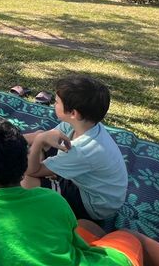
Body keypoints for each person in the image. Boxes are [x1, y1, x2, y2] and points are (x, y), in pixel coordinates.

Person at [0, 119, 159, 266]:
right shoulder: (53, 199)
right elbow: (74, 241)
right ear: (25, 164)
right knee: (125, 235)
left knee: (90, 228)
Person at [21, 75, 127, 222]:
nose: (53, 104)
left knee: (25, 181)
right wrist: (12, 138)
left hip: (94, 205)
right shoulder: (82, 124)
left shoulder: (83, 149)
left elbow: (32, 171)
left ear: (73, 113)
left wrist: (38, 142)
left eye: (57, 102)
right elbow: (46, 137)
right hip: (93, 183)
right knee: (43, 136)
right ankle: (52, 173)